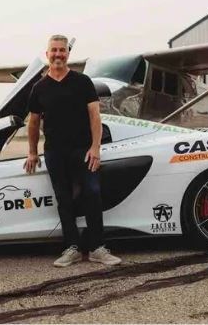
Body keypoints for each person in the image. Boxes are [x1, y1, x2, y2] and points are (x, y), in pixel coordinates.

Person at [24, 35, 121, 267]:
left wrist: (95, 147)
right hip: (55, 153)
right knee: (64, 199)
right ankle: (72, 248)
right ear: (47, 54)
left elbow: (95, 117)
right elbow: (33, 123)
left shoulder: (83, 81)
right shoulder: (39, 88)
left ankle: (98, 247)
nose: (58, 54)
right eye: (54, 50)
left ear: (68, 54)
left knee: (92, 193)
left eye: (62, 50)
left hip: (83, 150)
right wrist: (32, 152)